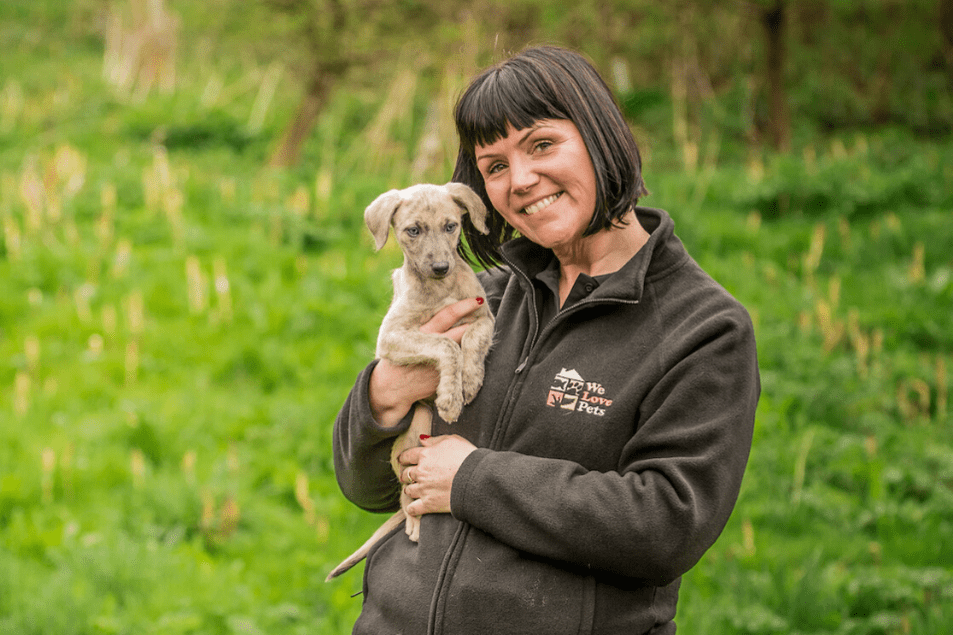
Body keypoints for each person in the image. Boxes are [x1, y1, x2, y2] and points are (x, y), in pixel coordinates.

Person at [332, 45, 760, 635]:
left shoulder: (702, 329)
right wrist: (383, 396)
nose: (523, 180)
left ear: (601, 137)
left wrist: (472, 479)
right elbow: (367, 487)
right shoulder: (477, 300)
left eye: (541, 145)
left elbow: (667, 525)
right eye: (495, 165)